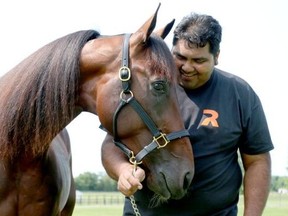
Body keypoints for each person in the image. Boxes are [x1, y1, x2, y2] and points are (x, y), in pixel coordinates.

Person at [101, 12, 274, 215]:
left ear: (216, 57)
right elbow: (111, 145)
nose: (187, 67)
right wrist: (122, 171)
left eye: (198, 60)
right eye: (180, 57)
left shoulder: (239, 94)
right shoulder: (143, 87)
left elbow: (257, 161)